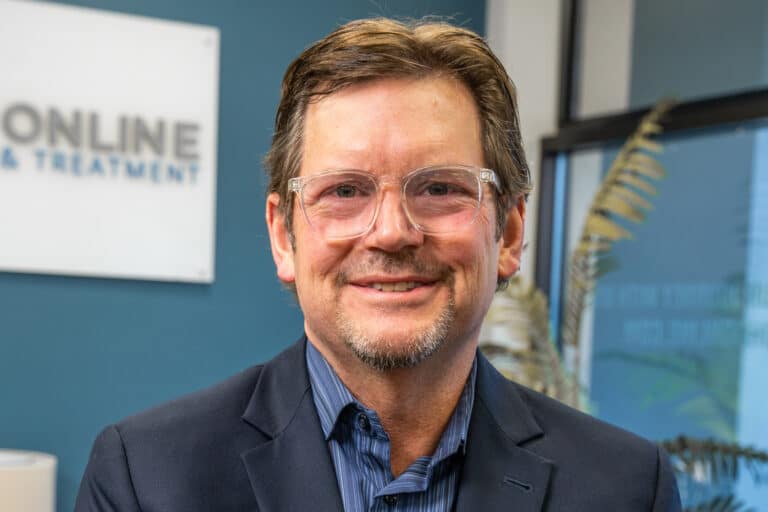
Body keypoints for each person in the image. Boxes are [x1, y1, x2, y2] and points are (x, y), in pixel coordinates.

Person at [75, 18, 681, 511]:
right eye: (344, 191)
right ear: (283, 236)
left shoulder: (627, 488)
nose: (391, 232)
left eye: (440, 188)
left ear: (510, 233)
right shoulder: (146, 479)